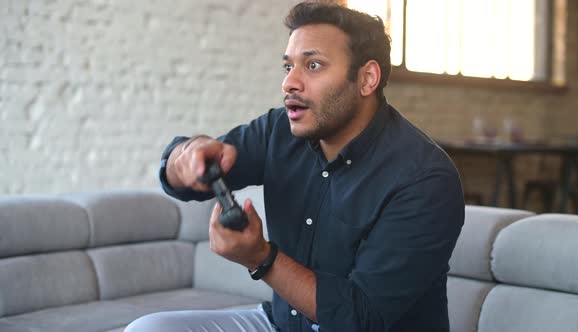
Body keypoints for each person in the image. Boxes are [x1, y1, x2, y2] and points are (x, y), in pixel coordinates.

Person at [126, 2, 464, 332]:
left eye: (313, 65)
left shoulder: (425, 178)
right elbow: (184, 180)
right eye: (288, 67)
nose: (290, 83)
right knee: (149, 328)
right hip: (283, 322)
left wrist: (261, 258)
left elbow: (362, 319)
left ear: (367, 78)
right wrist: (185, 155)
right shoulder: (280, 131)